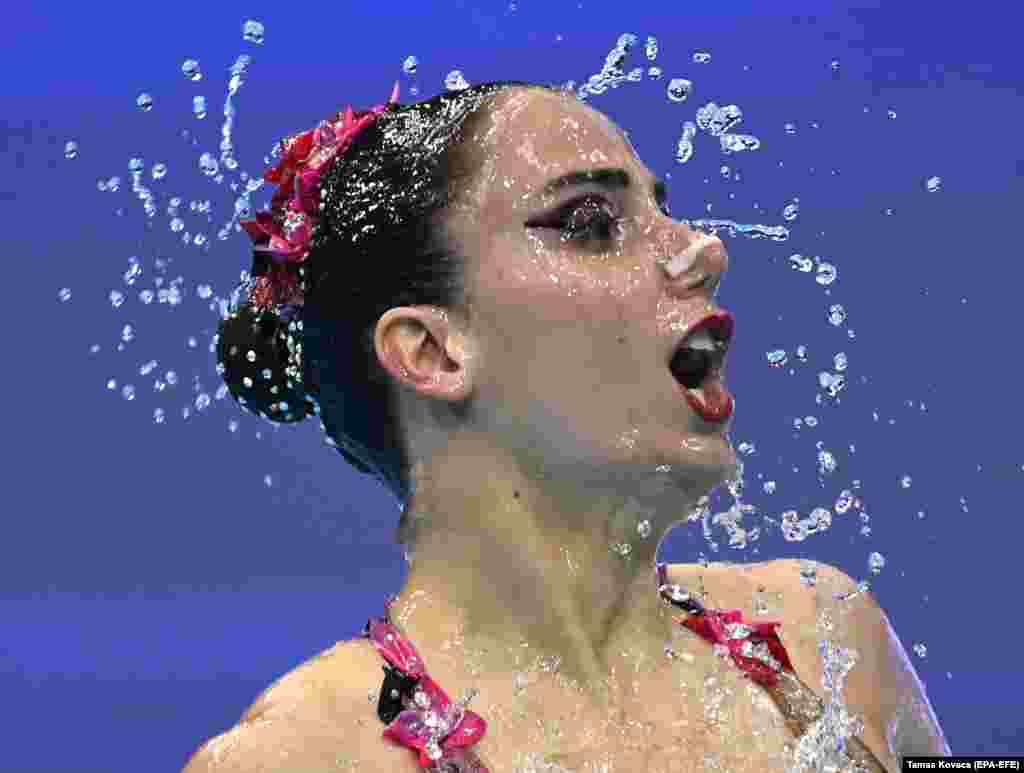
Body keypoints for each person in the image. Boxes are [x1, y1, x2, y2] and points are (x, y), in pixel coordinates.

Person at [183, 80, 949, 772]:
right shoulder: (309, 754)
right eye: (590, 222)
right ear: (431, 351)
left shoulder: (829, 638)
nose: (702, 248)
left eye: (663, 208)